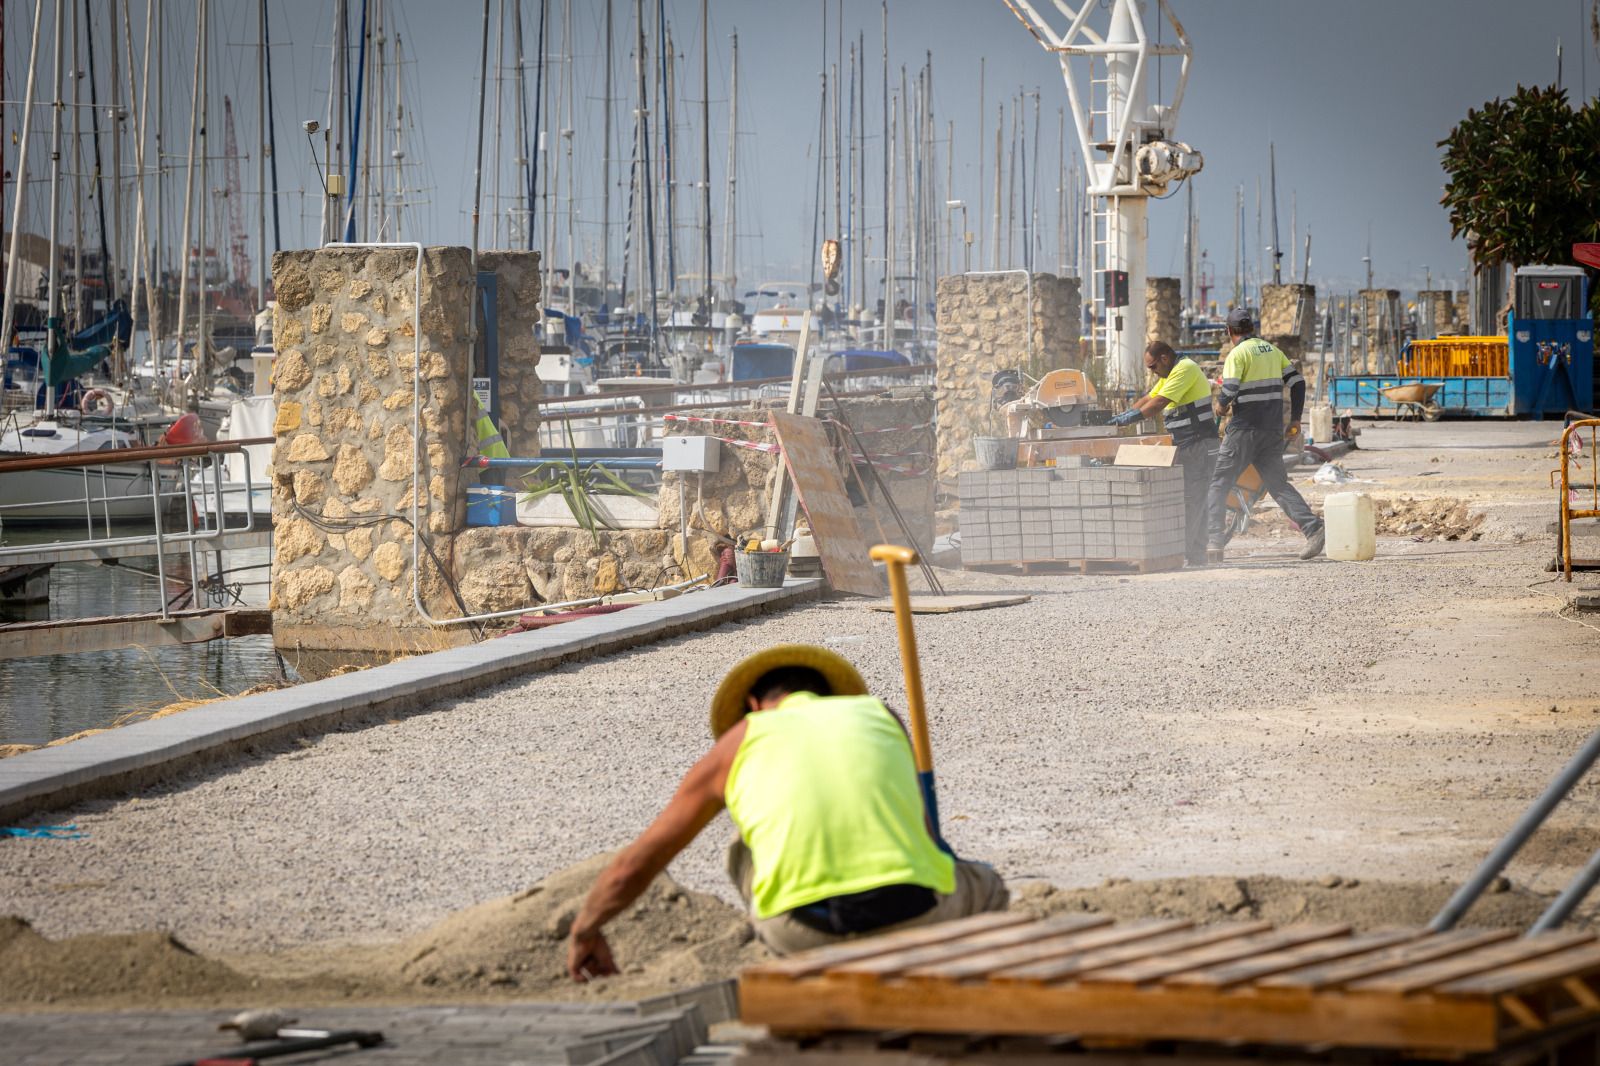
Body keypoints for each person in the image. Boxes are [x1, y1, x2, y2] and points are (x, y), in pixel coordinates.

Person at [567, 645, 1009, 980]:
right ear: (828, 694)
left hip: (803, 931)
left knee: (743, 850)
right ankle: (964, 980)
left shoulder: (736, 744)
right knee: (986, 885)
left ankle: (804, 967)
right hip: (918, 913)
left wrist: (585, 929)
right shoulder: (880, 715)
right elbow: (926, 836)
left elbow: (639, 863)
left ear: (755, 705)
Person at [1205, 308, 1324, 561]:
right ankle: (1313, 529)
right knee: (1277, 485)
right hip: (1271, 431)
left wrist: (1220, 405)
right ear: (1252, 329)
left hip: (1244, 430)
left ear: (1229, 332)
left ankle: (1214, 541)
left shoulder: (1237, 354)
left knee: (1218, 482)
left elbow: (1229, 391)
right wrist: (1295, 419)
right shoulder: (1272, 350)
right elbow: (1298, 382)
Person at [1108, 340, 1219, 566]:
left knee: (1192, 499)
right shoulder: (1168, 376)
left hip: (1199, 444)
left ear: (1164, 359)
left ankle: (1182, 552)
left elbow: (1158, 404)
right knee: (1195, 499)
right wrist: (1124, 415)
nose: (1152, 372)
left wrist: (1130, 419)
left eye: (1152, 367)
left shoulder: (1184, 369)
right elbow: (1148, 398)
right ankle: (1196, 555)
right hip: (1189, 445)